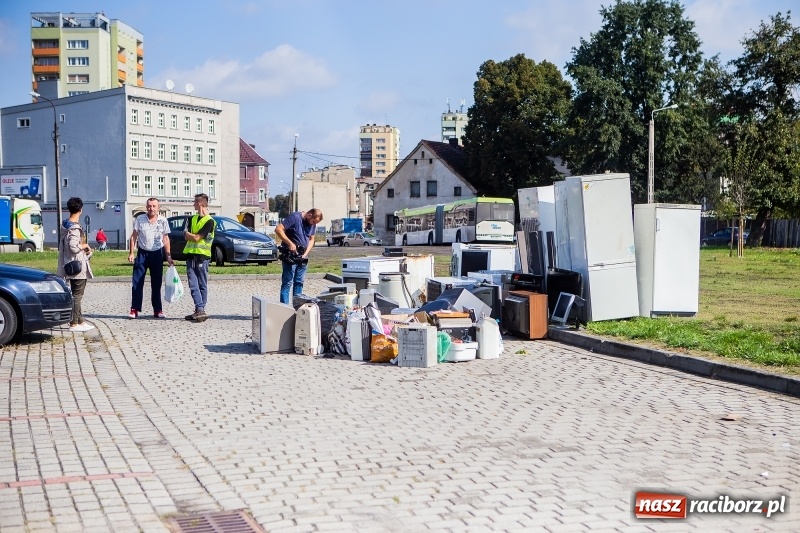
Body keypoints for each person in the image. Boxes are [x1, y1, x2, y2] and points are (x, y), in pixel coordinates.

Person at [127, 198, 173, 319]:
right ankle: (134, 309)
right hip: (142, 253)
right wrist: (132, 253)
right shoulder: (140, 219)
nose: (151, 208)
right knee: (137, 282)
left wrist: (168, 256)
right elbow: (133, 237)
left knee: (156, 284)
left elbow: (166, 239)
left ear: (158, 207)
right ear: (146, 207)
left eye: (154, 206)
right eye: (149, 206)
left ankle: (157, 310)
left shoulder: (163, 220)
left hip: (157, 253)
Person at [58, 197, 94, 332]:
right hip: (77, 266)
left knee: (75, 294)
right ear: (80, 209)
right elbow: (73, 247)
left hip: (69, 263)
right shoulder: (74, 228)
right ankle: (74, 323)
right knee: (77, 295)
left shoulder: (65, 225)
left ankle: (80, 320)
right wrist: (84, 245)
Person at [275, 208, 323, 304]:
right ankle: (285, 309)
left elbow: (311, 239)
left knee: (299, 283)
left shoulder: (312, 224)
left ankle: (297, 309)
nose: (313, 225)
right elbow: (278, 229)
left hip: (303, 258)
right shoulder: (295, 217)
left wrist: (306, 253)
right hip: (290, 256)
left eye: (315, 223)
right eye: (313, 222)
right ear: (309, 215)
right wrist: (289, 243)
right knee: (287, 283)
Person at [183, 193, 215, 322]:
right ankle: (199, 309)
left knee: (202, 284)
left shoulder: (210, 222)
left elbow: (197, 237)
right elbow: (185, 235)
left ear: (201, 204)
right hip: (191, 255)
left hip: (203, 256)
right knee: (193, 284)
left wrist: (192, 235)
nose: (193, 204)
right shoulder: (191, 219)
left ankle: (200, 309)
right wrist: (192, 235)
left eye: (195, 202)